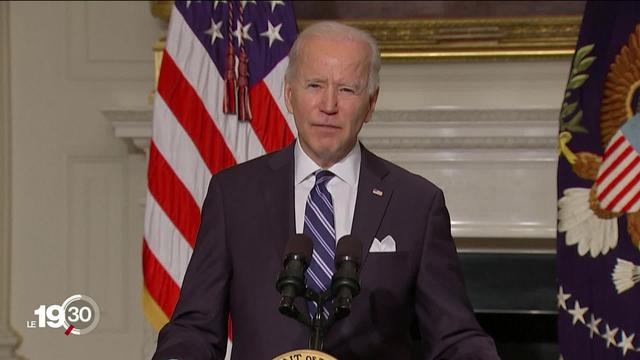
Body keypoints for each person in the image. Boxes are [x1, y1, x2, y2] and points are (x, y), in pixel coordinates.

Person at [153, 21, 500, 360]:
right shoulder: (234, 196)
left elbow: (454, 335)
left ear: (371, 103)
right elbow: (195, 328)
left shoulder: (417, 204)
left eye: (347, 89)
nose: (328, 105)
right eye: (315, 85)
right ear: (289, 95)